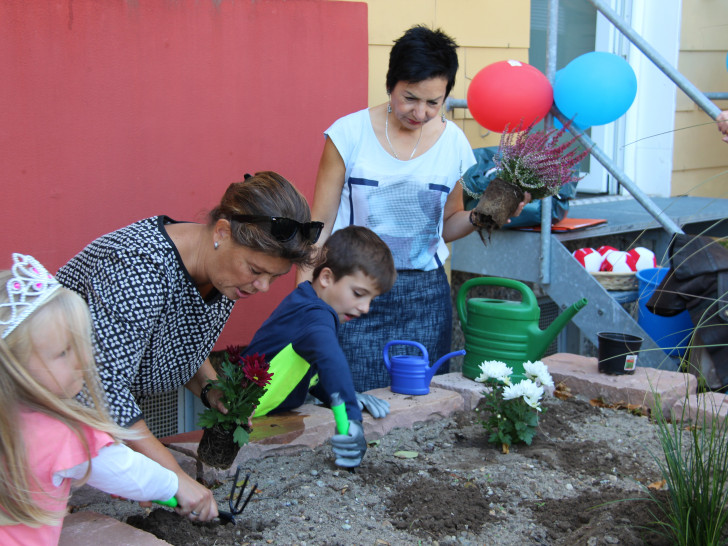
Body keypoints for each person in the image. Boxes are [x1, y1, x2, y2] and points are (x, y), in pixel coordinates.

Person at [55, 171, 319, 521]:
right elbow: (103, 388)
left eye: (274, 276)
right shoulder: (139, 265)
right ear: (222, 232)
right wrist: (174, 477)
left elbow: (183, 341)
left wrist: (211, 390)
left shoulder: (225, 274)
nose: (263, 287)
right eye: (256, 269)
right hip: (36, 407)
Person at [299, 25, 529, 392]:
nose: (420, 112)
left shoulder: (453, 143)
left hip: (424, 296)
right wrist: (304, 299)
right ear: (391, 84)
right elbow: (319, 225)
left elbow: (447, 226)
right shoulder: (347, 135)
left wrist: (479, 216)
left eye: (433, 102)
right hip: (354, 290)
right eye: (410, 98)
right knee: (353, 399)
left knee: (421, 405)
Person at [0, 253, 186, 545]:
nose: (85, 359)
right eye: (64, 352)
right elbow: (131, 474)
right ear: (14, 367)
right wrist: (176, 487)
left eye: (82, 345)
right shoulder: (65, 434)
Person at [245, 226, 396, 468]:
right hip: (241, 421)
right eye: (358, 293)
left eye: (371, 299)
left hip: (262, 418)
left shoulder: (309, 305)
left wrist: (342, 396)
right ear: (326, 278)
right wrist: (351, 420)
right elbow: (330, 360)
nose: (366, 308)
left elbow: (313, 369)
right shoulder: (315, 315)